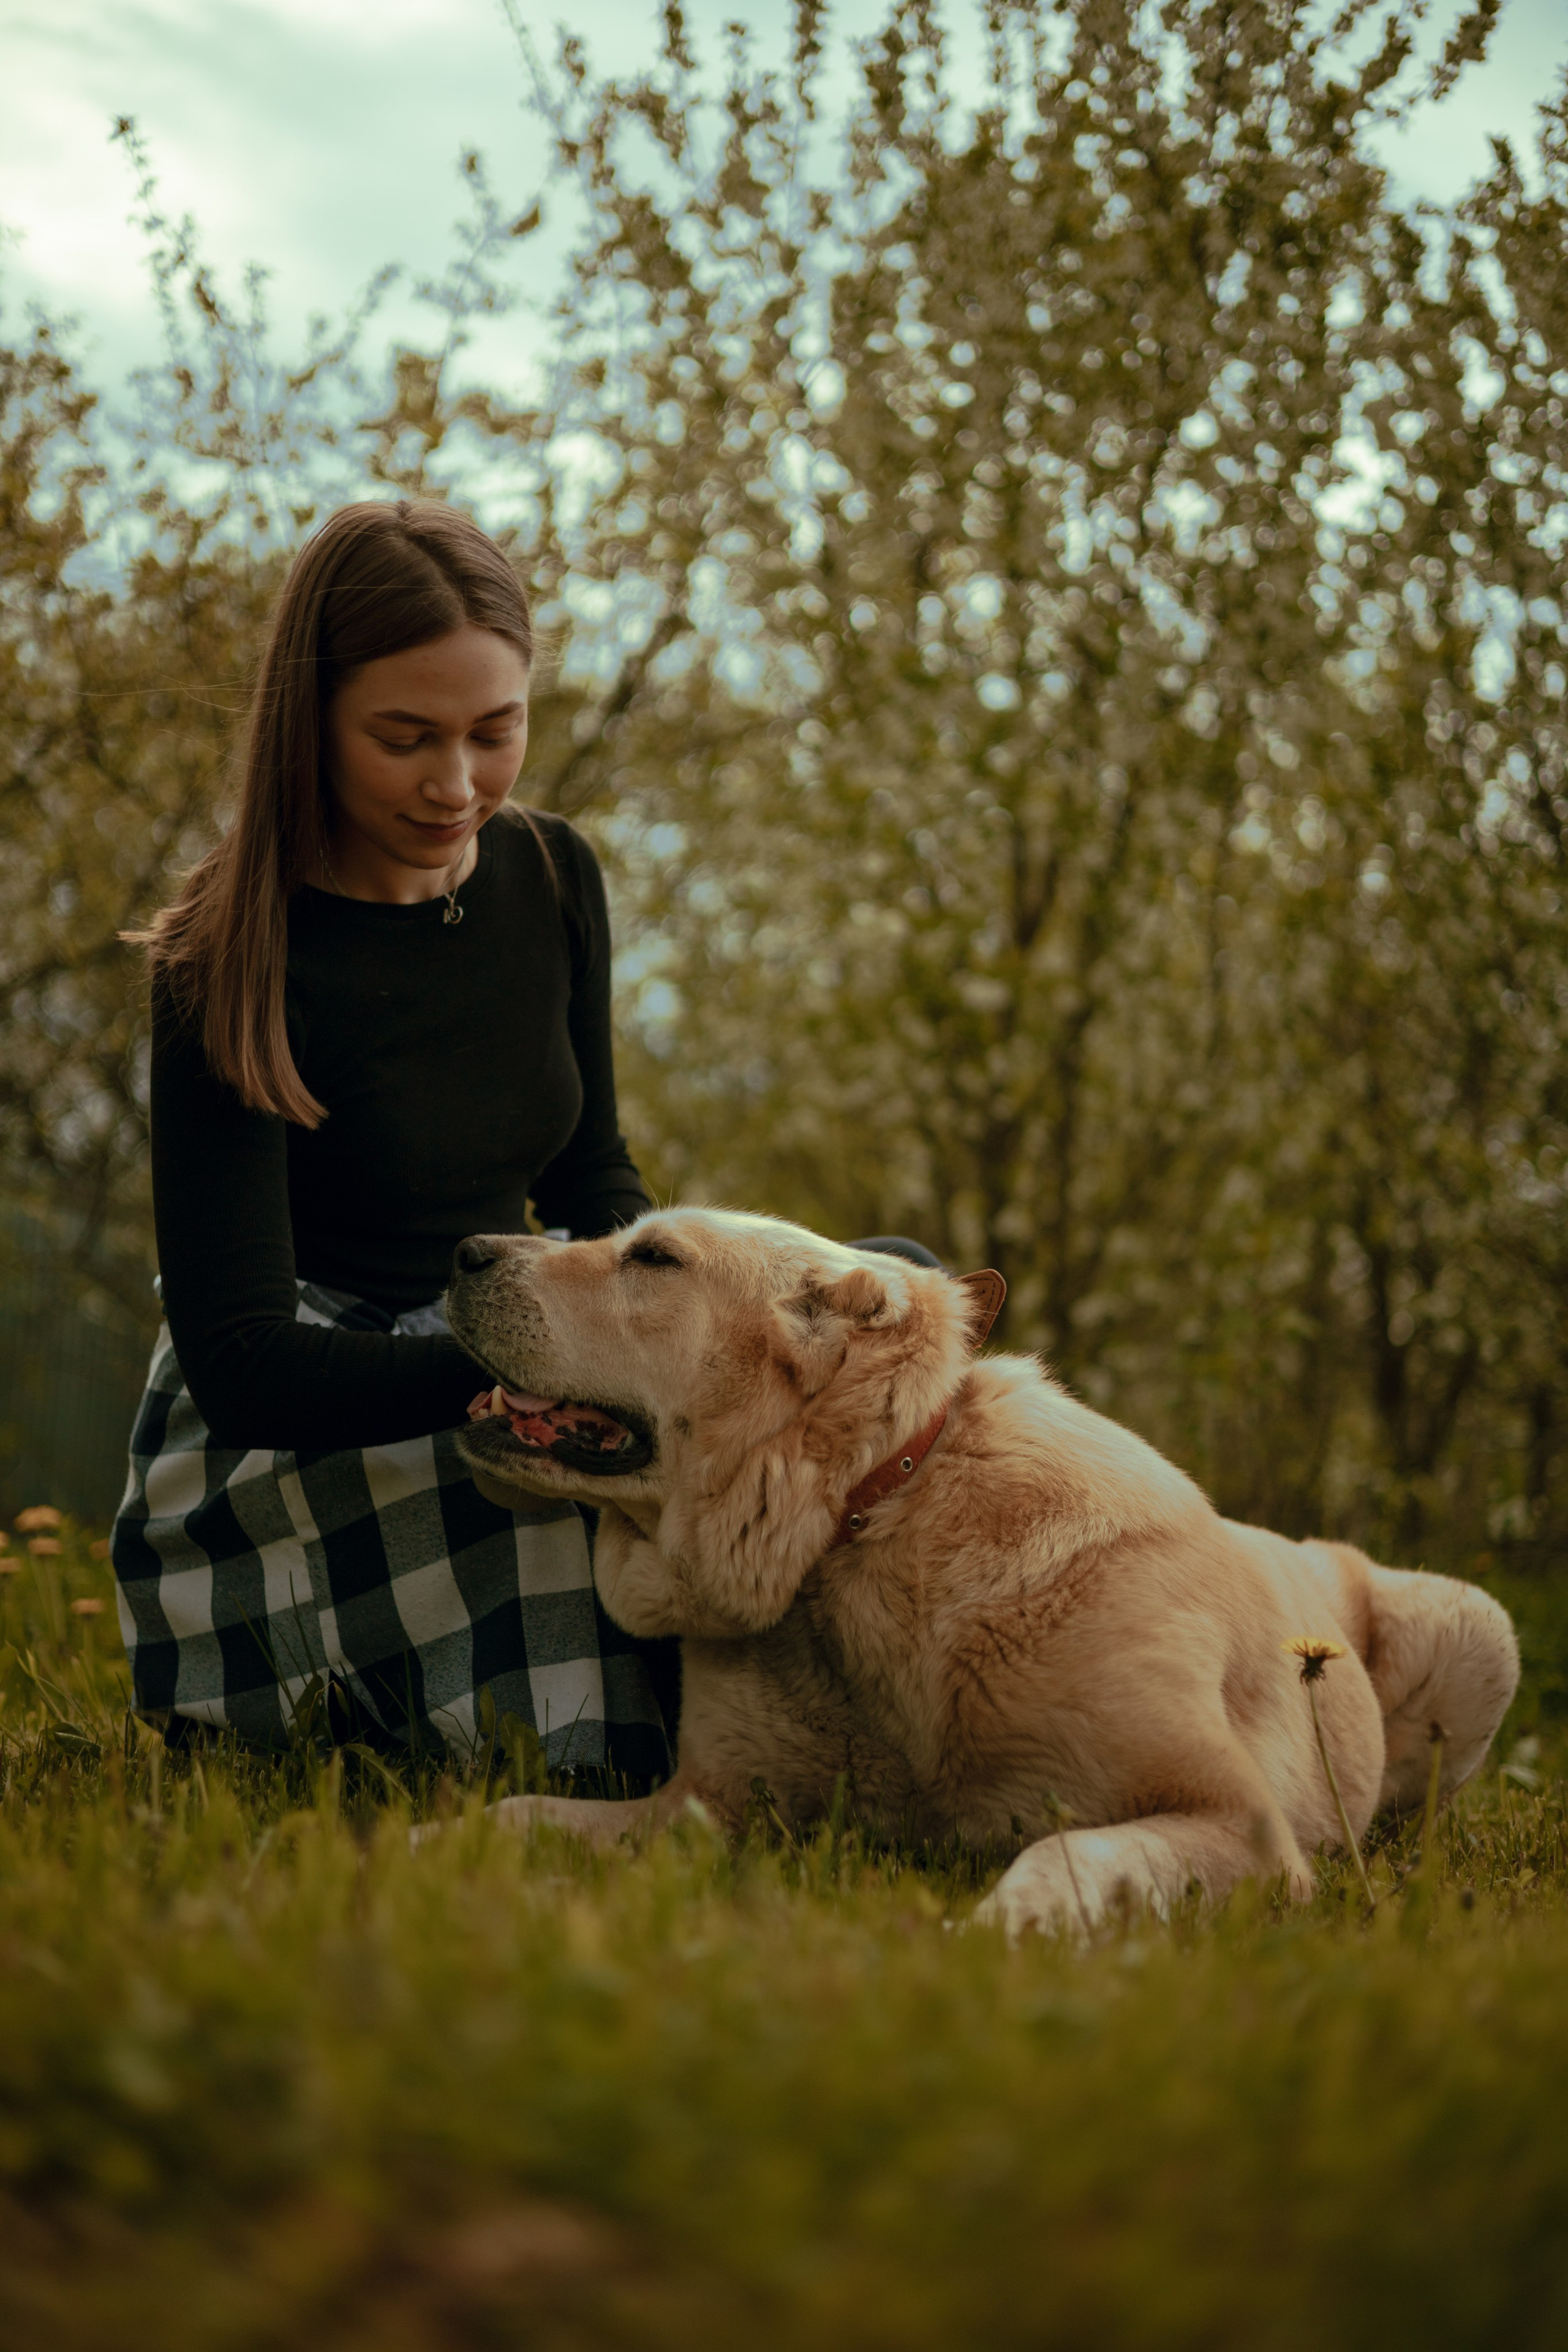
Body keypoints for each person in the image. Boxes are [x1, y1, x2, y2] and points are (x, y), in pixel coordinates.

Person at [110, 500, 671, 1774]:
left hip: (519, 1325)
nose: (456, 785)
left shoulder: (553, 874)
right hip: (318, 1416)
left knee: (880, 1309)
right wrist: (535, 1374)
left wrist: (658, 1311)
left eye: (495, 732)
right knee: (547, 1494)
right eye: (405, 739)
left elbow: (591, 1176)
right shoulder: (227, 954)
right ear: (310, 722)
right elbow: (245, 1365)